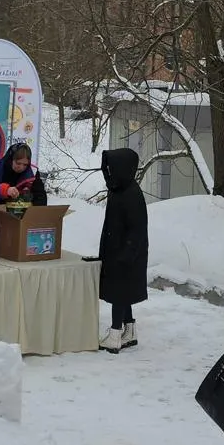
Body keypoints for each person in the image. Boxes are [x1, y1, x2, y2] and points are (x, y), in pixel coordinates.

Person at [95, 147, 148, 352]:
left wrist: (127, 255)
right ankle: (130, 330)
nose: (109, 171)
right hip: (117, 249)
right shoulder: (118, 188)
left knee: (119, 292)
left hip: (127, 253)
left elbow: (137, 229)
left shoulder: (131, 194)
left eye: (112, 167)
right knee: (123, 292)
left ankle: (116, 333)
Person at [0, 142, 46, 251]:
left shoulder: (32, 172)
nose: (21, 167)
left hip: (19, 215)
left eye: (25, 165)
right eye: (18, 163)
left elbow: (40, 195)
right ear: (10, 159)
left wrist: (34, 214)